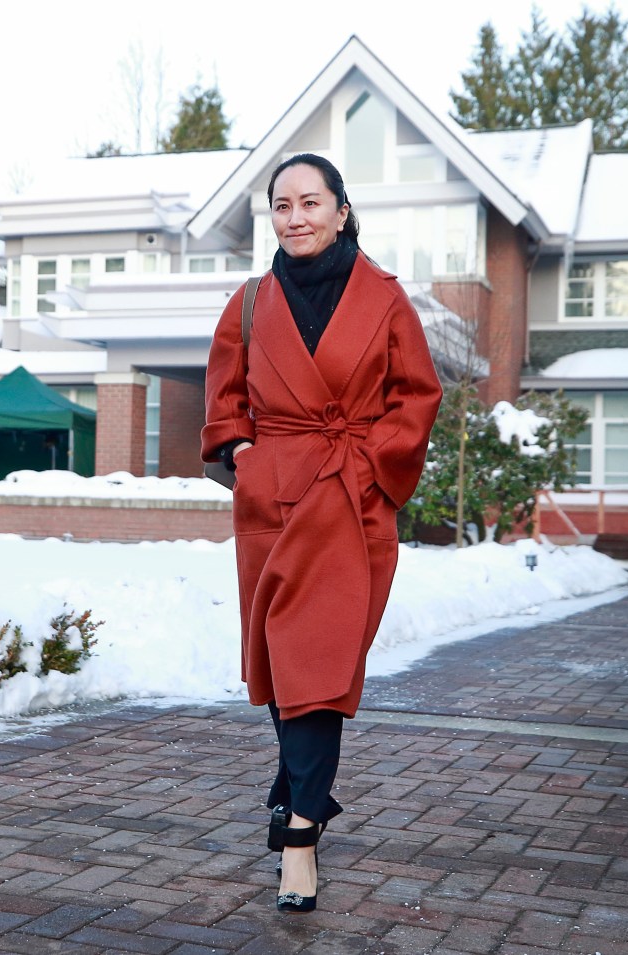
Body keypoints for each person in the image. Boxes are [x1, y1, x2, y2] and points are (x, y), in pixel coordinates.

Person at [201, 153, 442, 913]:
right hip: (272, 498)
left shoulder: (387, 299)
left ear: (342, 210)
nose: (295, 216)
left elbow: (417, 395)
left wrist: (372, 469)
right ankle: (293, 793)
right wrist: (243, 451)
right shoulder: (248, 302)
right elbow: (224, 394)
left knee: (319, 663)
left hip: (350, 495)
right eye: (282, 205)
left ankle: (299, 837)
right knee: (282, 656)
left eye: (311, 202)